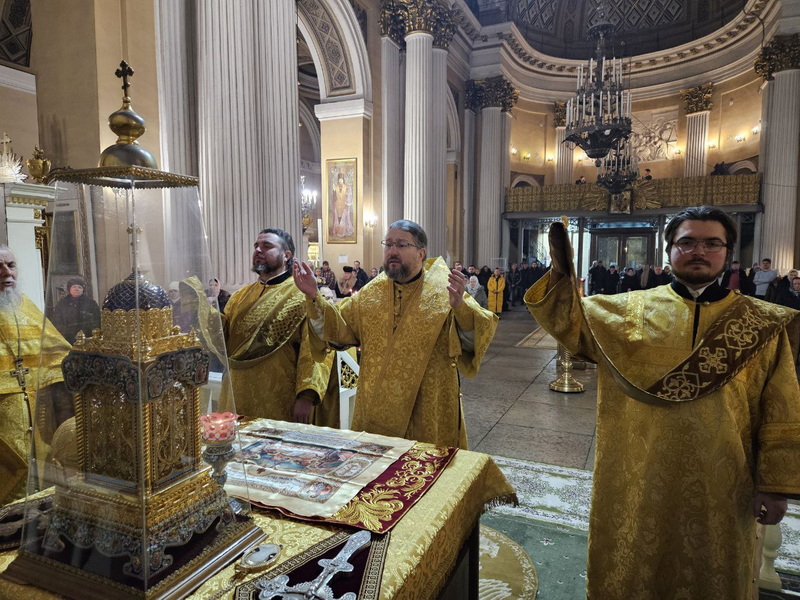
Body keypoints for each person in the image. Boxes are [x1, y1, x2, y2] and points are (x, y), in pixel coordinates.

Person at [525, 207, 800, 599]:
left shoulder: (762, 323)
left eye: (712, 243)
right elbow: (568, 321)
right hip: (636, 475)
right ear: (669, 250)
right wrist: (560, 271)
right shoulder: (626, 310)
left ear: (728, 252)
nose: (698, 251)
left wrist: (775, 486)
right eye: (686, 242)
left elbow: (782, 406)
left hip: (723, 479)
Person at [293, 219, 498, 448]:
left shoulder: (445, 290)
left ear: (421, 253)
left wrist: (460, 307)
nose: (392, 251)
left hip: (427, 406)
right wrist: (314, 297)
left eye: (401, 245)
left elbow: (475, 338)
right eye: (388, 244)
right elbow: (341, 329)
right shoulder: (372, 292)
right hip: (375, 403)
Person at [186, 229, 332, 423]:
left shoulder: (301, 294)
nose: (258, 250)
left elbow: (315, 347)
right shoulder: (240, 296)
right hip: (235, 392)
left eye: (267, 246)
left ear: (286, 255)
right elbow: (224, 340)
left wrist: (306, 395)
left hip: (277, 398)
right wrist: (201, 308)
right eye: (256, 246)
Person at [0, 245, 72, 505]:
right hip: (4, 428)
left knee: (39, 488)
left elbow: (57, 354)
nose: (6, 272)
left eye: (11, 265)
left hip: (38, 415)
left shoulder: (25, 307)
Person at [50, 276, 101, 344]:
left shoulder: (91, 303)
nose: (77, 289)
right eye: (74, 287)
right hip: (67, 340)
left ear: (83, 290)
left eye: (79, 287)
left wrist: (88, 333)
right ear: (69, 289)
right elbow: (57, 322)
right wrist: (67, 333)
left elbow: (97, 321)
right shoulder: (62, 304)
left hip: (87, 339)